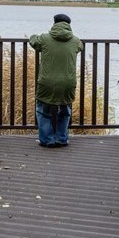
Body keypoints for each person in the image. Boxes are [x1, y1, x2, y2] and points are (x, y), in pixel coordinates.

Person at [29, 13, 83, 148]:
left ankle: (47, 140)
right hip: (68, 83)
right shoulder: (75, 40)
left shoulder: (44, 38)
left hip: (47, 82)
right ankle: (61, 139)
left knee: (42, 110)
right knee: (65, 111)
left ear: (54, 23)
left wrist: (32, 36)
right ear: (69, 25)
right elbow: (80, 47)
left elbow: (34, 42)